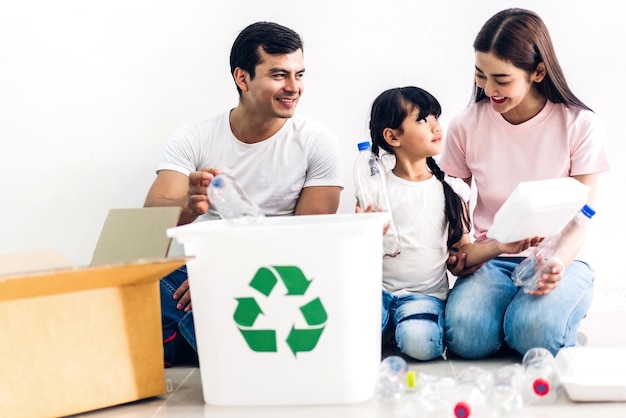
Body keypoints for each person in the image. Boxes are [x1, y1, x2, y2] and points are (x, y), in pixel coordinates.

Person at [144, 21, 343, 367]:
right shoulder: (195, 138)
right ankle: (216, 332)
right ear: (242, 78)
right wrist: (189, 205)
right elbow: (149, 219)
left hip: (286, 276)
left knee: (337, 287)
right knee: (141, 280)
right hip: (209, 268)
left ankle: (190, 337)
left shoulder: (316, 142)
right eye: (279, 75)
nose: (293, 87)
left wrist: (225, 277)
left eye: (299, 75)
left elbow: (313, 240)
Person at [440, 8, 610, 359]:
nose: (488, 89)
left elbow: (583, 214)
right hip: (493, 256)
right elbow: (453, 205)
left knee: (533, 332)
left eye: (501, 79)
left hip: (559, 257)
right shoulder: (465, 125)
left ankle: (545, 320)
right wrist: (461, 250)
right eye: (480, 76)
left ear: (537, 72)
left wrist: (556, 262)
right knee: (466, 335)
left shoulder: (579, 125)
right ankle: (515, 322)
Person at [365, 86, 537, 361]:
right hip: (377, 292)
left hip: (424, 295)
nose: (436, 126)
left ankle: (399, 328)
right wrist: (363, 230)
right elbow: (360, 249)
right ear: (392, 136)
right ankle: (390, 326)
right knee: (346, 332)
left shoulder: (452, 190)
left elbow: (463, 251)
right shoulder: (374, 188)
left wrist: (500, 245)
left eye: (436, 117)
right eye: (422, 119)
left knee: (422, 345)